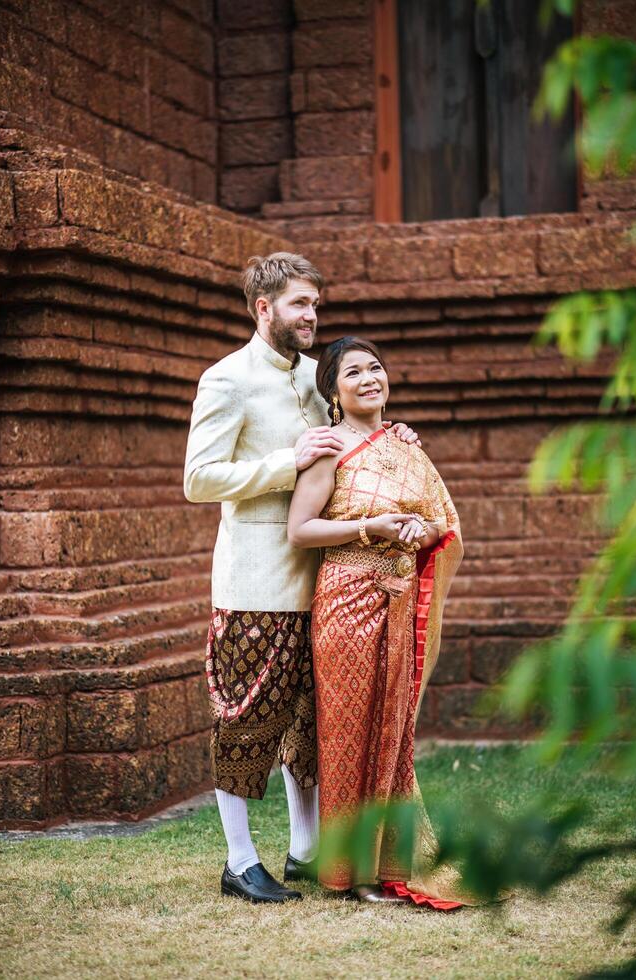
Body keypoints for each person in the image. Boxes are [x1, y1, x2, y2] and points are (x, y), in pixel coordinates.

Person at [184, 254, 419, 905]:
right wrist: (286, 462)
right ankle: (237, 862)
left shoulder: (315, 384)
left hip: (323, 586)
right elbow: (197, 479)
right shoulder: (227, 380)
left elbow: (345, 438)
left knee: (309, 731)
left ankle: (306, 852)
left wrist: (388, 437)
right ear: (264, 309)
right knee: (246, 724)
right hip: (254, 586)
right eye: (298, 304)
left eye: (315, 303)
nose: (312, 315)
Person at [287, 336, 482, 907]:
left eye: (376, 368)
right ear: (334, 391)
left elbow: (437, 524)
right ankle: (353, 875)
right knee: (350, 733)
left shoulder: (405, 446)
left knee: (391, 731)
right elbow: (300, 530)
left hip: (397, 598)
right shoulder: (328, 450)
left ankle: (390, 865)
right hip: (346, 601)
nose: (370, 378)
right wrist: (372, 528)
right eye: (354, 372)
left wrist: (418, 533)